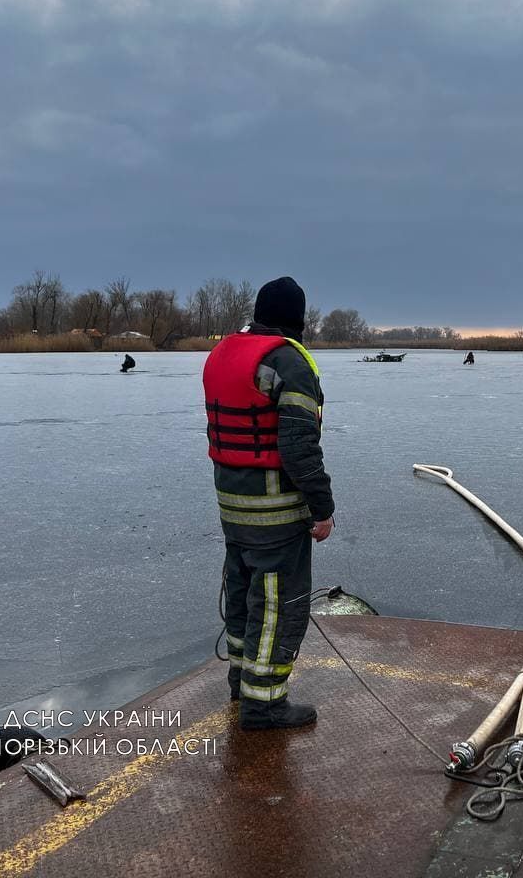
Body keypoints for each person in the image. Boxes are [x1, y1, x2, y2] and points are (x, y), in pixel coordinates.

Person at [203, 277, 334, 731]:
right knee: (279, 608)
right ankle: (264, 705)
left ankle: (242, 685)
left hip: (232, 508)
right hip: (277, 513)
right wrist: (322, 507)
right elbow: (299, 447)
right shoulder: (287, 361)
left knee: (242, 596)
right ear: (296, 320)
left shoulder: (224, 353)